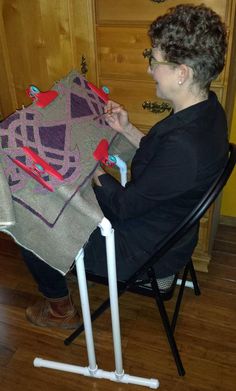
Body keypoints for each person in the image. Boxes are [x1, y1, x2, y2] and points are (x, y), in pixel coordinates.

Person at [21, 4, 229, 329]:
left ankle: (60, 309)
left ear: (182, 72)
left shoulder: (185, 146)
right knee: (64, 199)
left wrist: (89, 165)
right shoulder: (207, 113)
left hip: (141, 251)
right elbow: (165, 166)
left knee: (31, 225)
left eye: (154, 61)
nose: (149, 69)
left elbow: (122, 207)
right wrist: (127, 129)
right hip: (166, 231)